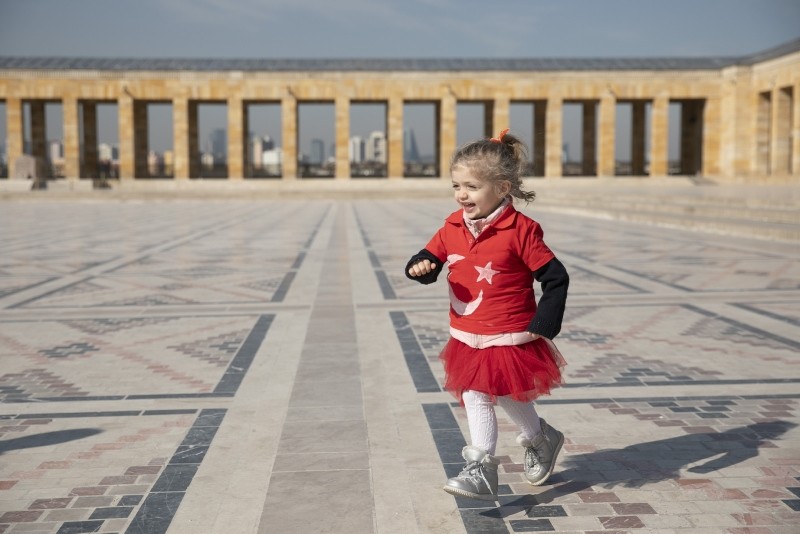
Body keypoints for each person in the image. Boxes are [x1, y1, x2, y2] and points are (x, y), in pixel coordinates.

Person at [405, 129, 569, 501]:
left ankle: (480, 467)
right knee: (491, 392)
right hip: (468, 331)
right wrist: (421, 266)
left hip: (510, 330)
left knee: (486, 392)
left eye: (472, 186)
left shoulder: (521, 231)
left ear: (501, 188)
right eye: (456, 185)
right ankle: (541, 438)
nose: (462, 194)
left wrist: (545, 323)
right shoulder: (451, 226)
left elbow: (555, 277)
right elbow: (430, 256)